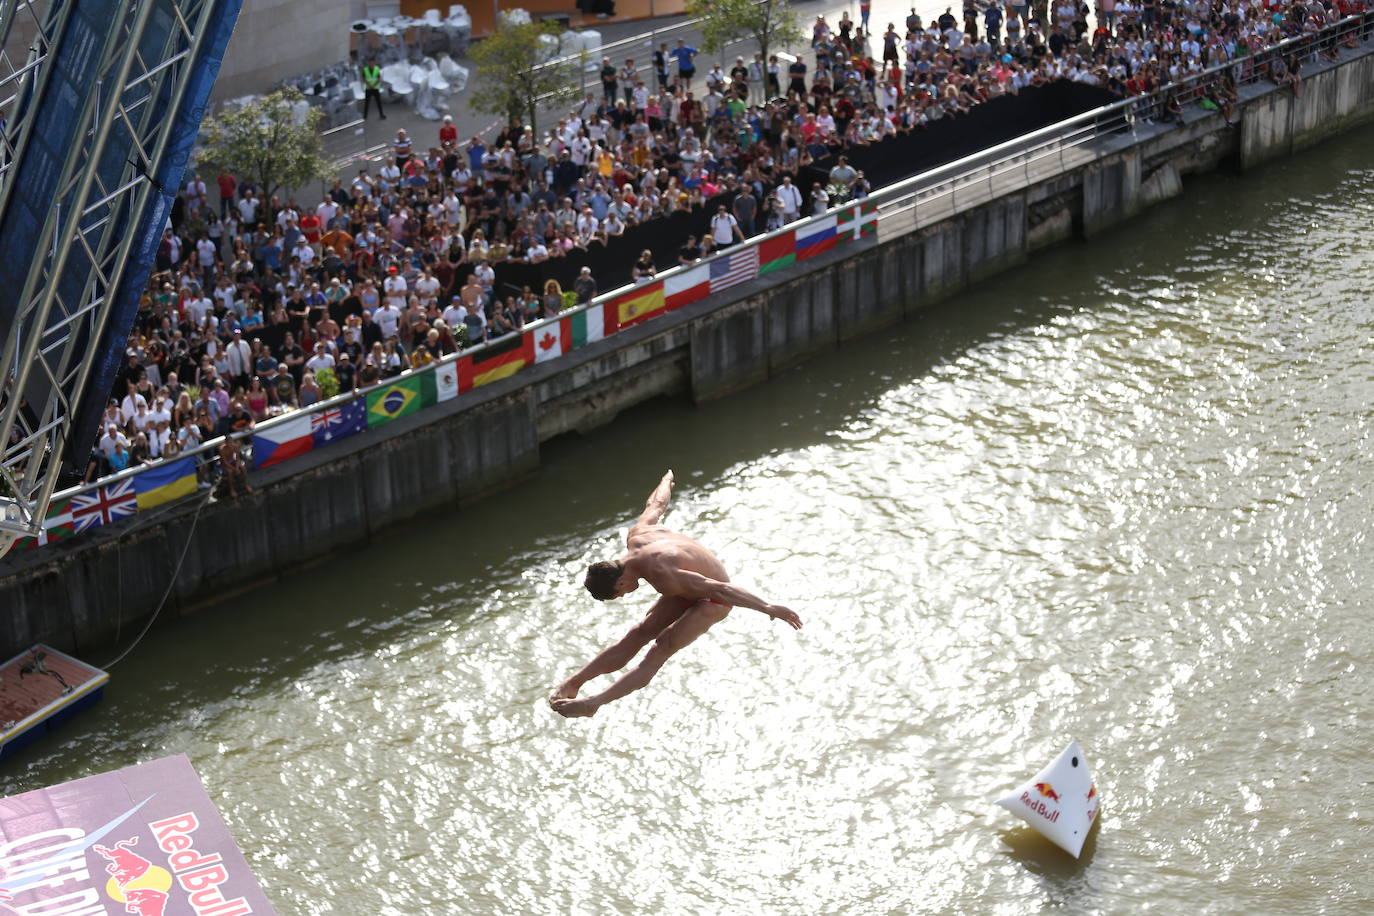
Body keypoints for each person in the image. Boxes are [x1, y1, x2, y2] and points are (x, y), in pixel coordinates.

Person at [549, 470, 802, 718]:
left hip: (714, 599)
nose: (626, 596)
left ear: (621, 582)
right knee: (638, 633)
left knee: (662, 646)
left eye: (620, 594)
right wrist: (666, 480)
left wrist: (767, 607)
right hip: (687, 586)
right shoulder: (637, 535)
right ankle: (573, 683)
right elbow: (656, 504)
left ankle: (594, 703)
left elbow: (720, 589)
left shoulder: (662, 573)